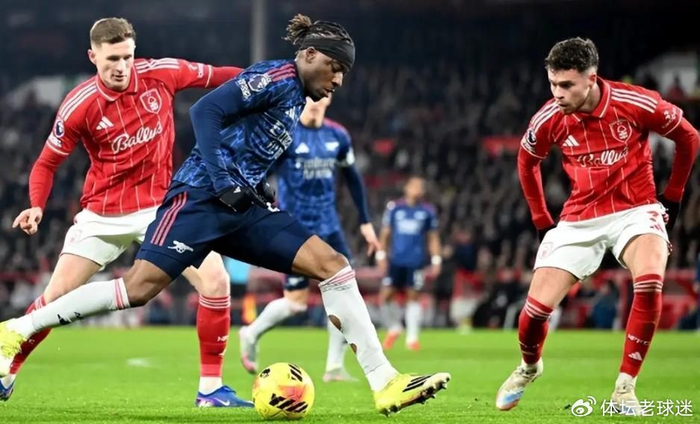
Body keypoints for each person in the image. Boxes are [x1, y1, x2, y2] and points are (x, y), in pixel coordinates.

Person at [0, 14, 450, 416]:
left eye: (344, 73)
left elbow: (243, 123)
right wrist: (220, 178)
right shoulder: (276, 77)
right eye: (335, 67)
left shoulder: (294, 93)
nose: (338, 80)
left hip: (241, 204)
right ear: (310, 55)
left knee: (333, 265)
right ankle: (20, 328)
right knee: (138, 290)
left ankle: (384, 380)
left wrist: (255, 180)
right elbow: (207, 108)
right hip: (197, 198)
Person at [1, 17, 251, 408]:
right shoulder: (79, 104)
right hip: (103, 214)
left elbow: (223, 75)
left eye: (127, 57)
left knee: (216, 281)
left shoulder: (162, 73)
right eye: (112, 59)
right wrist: (36, 204)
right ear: (93, 56)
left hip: (163, 208)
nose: (121, 66)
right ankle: (7, 370)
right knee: (55, 298)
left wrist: (276, 81)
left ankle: (210, 389)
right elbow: (47, 163)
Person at [496, 37, 699, 414]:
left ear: (591, 79)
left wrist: (672, 196)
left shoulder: (635, 102)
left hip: (636, 209)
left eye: (566, 85)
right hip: (579, 218)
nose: (557, 93)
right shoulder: (549, 117)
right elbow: (526, 162)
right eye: (553, 84)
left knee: (649, 282)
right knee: (533, 313)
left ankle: (625, 388)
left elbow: (689, 136)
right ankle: (529, 367)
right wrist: (542, 220)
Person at [238, 94, 381, 383]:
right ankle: (250, 333)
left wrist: (365, 221)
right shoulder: (287, 134)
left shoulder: (338, 135)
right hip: (296, 229)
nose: (316, 101)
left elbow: (353, 178)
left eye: (322, 97)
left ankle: (334, 367)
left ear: (329, 99)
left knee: (343, 295)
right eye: (311, 97)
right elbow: (260, 172)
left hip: (329, 227)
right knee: (296, 303)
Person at [376, 176, 441, 351]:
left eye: (420, 187)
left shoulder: (427, 211)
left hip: (416, 261)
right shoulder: (395, 208)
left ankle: (412, 338)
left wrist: (436, 259)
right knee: (385, 296)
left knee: (413, 296)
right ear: (406, 188)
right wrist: (381, 254)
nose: (417, 189)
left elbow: (433, 237)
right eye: (414, 186)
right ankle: (394, 327)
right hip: (396, 260)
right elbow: (385, 234)